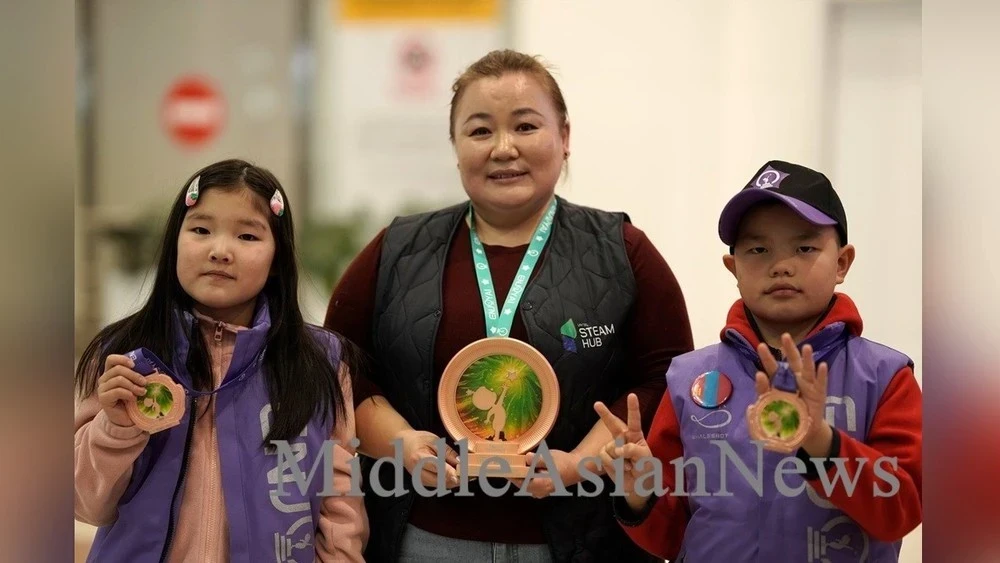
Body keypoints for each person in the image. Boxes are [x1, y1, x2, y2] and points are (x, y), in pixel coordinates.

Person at [324, 48, 694, 562]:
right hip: (425, 541)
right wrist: (400, 442)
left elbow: (664, 376)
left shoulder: (622, 251)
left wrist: (581, 463)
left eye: (525, 126)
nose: (503, 148)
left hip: (582, 541)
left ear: (565, 137)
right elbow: (338, 367)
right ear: (456, 148)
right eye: (480, 131)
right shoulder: (398, 249)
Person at [595, 160, 923, 562]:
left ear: (842, 263)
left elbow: (902, 510)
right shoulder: (688, 379)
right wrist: (639, 493)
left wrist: (823, 444)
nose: (780, 265)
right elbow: (672, 537)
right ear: (733, 268)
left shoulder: (885, 376)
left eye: (804, 248)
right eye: (758, 249)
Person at [74, 159, 368, 562]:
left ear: (277, 259)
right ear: (175, 242)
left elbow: (340, 504)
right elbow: (85, 505)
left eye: (247, 236)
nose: (220, 251)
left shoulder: (321, 361)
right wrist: (116, 428)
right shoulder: (123, 354)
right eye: (201, 230)